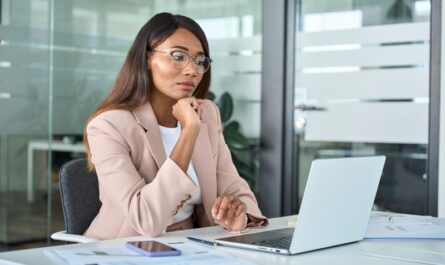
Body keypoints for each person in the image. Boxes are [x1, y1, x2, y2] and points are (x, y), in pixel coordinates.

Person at [83, 12, 268, 239]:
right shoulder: (108, 126)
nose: (192, 70)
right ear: (146, 59)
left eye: (200, 61)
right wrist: (189, 132)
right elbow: (145, 219)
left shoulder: (207, 114)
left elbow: (235, 188)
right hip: (125, 249)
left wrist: (238, 214)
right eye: (178, 56)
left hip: (192, 246)